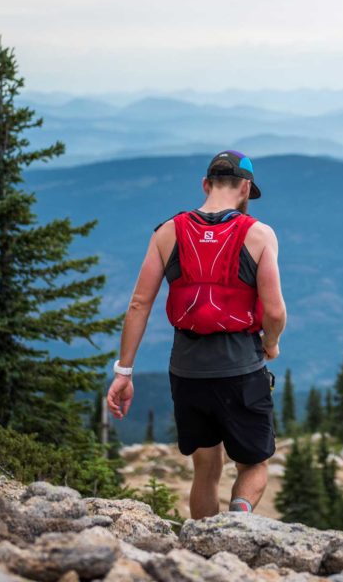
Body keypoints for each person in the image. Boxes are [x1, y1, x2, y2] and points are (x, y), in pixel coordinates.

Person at [106, 150, 287, 518]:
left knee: (205, 468)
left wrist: (124, 372)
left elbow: (139, 304)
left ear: (206, 184)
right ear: (245, 189)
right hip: (240, 368)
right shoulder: (258, 235)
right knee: (254, 464)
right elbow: (274, 311)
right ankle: (237, 521)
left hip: (187, 371)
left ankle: (202, 543)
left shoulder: (167, 232)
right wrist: (271, 343)